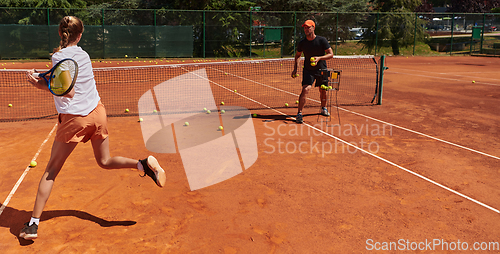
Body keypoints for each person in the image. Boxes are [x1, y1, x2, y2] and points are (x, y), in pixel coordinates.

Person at [20, 16, 167, 240]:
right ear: (80, 35)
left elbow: (66, 90)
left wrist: (39, 83)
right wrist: (44, 78)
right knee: (104, 161)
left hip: (74, 120)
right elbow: (66, 79)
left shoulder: (58, 56)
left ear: (61, 33)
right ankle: (142, 165)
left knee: (51, 171)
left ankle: (32, 224)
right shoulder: (84, 55)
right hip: (98, 113)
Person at [291, 20, 334, 124]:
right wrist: (295, 68)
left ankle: (323, 108)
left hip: (321, 69)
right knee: (305, 89)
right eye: (305, 27)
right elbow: (298, 55)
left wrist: (319, 58)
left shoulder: (322, 40)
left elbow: (331, 54)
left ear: (313, 28)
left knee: (323, 90)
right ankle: (299, 113)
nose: (306, 29)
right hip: (308, 70)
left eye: (308, 27)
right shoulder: (302, 43)